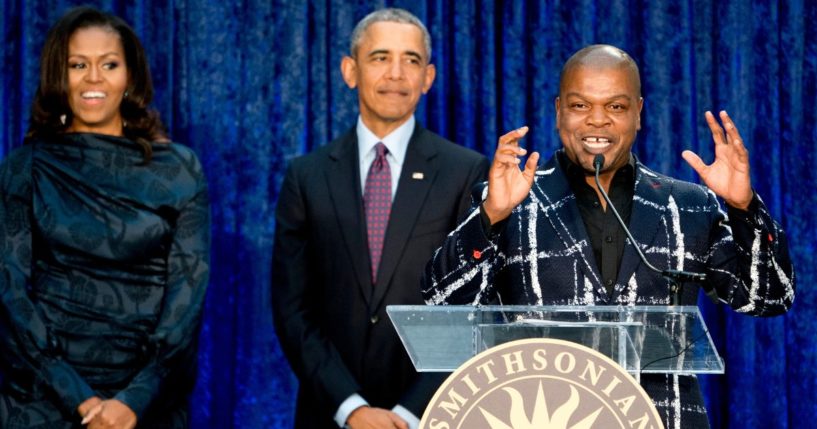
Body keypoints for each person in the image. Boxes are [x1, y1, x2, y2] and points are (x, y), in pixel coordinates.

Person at [422, 44, 794, 428]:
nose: (596, 121)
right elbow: (441, 301)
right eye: (580, 106)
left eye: (615, 107)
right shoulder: (508, 199)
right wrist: (492, 215)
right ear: (558, 111)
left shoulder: (688, 205)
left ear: (638, 113)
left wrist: (744, 206)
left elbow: (769, 298)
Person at [272, 8, 489, 429]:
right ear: (350, 70)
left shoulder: (465, 172)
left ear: (428, 77)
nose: (396, 73)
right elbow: (292, 309)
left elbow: (471, 310)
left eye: (411, 60)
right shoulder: (307, 176)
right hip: (329, 413)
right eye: (380, 57)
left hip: (432, 413)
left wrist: (409, 413)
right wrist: (350, 408)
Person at [0, 7, 210, 429]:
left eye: (108, 64)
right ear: (59, 75)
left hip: (147, 401)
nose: (93, 78)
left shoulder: (180, 169)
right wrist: (80, 400)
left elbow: (188, 297)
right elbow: (10, 290)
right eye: (78, 65)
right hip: (43, 398)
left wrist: (133, 399)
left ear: (129, 76)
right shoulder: (25, 167)